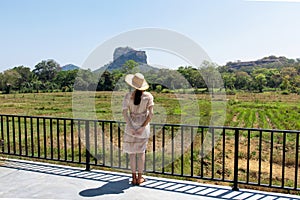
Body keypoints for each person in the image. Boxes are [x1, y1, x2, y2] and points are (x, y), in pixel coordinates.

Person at [122, 72, 154, 185]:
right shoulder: (148, 96)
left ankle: (134, 177)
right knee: (141, 153)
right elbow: (151, 115)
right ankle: (140, 178)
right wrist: (142, 128)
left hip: (130, 125)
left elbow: (124, 113)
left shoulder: (127, 96)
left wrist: (131, 127)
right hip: (143, 127)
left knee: (132, 153)